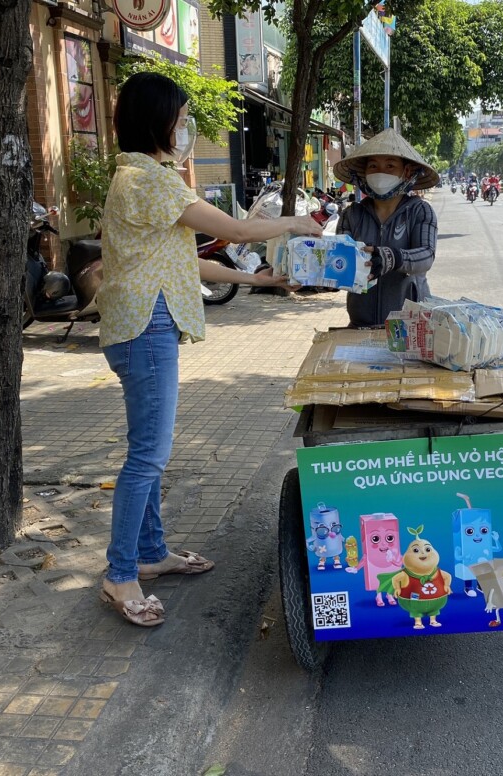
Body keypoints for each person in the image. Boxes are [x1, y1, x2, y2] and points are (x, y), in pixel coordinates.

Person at [98, 72, 322, 626]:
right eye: (179, 119)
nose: (184, 129)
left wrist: (265, 283)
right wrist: (297, 221)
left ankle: (149, 555)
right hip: (144, 329)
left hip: (142, 326)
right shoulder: (150, 182)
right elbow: (237, 232)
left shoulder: (142, 179)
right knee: (147, 455)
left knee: (147, 451)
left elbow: (190, 261)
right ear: (157, 122)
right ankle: (120, 573)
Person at [332, 128, 439, 328]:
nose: (380, 172)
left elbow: (426, 256)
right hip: (360, 324)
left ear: (406, 172)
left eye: (390, 165)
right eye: (373, 165)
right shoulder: (351, 215)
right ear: (364, 172)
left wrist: (391, 257)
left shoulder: (420, 211)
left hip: (411, 326)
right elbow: (339, 259)